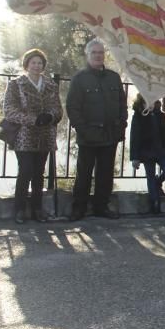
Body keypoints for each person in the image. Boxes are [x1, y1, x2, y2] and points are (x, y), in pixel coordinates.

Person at [67, 39, 126, 221]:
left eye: (101, 52)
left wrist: (121, 124)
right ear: (88, 55)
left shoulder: (114, 77)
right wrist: (83, 129)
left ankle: (102, 207)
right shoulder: (79, 79)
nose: (98, 55)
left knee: (105, 174)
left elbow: (122, 104)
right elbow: (72, 107)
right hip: (88, 135)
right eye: (94, 53)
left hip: (110, 134)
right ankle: (79, 209)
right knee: (84, 174)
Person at [3, 48, 63, 224]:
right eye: (33, 62)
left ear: (43, 66)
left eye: (40, 63)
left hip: (45, 135)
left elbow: (58, 109)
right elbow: (9, 110)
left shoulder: (51, 84)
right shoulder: (16, 84)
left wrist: (50, 116)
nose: (37, 66)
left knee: (39, 174)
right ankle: (19, 210)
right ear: (27, 65)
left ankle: (37, 209)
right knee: (26, 171)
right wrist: (33, 119)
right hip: (24, 135)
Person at [129, 94, 165, 215]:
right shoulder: (138, 117)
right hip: (146, 151)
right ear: (141, 104)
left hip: (161, 150)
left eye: (152, 102)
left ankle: (158, 183)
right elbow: (134, 137)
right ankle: (154, 203)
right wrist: (135, 157)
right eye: (146, 103)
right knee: (150, 175)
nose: (150, 105)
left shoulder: (161, 115)